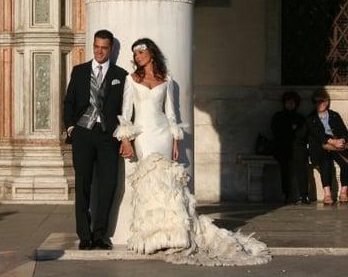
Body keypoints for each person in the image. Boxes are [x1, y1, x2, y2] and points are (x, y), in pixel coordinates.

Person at [114, 38, 270, 266]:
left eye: (141, 51)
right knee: (150, 182)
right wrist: (126, 139)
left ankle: (174, 235)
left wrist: (176, 141)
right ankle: (151, 237)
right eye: (135, 54)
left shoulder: (166, 79)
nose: (138, 56)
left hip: (163, 134)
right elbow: (126, 112)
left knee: (170, 186)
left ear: (151, 53)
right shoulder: (131, 79)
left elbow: (171, 114)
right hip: (144, 136)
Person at [63, 29, 129, 250]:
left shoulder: (121, 75)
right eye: (96, 47)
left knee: (108, 185)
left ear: (111, 49)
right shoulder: (79, 71)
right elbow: (69, 102)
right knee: (83, 185)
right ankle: (84, 235)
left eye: (104, 48)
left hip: (107, 136)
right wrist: (71, 127)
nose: (99, 52)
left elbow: (125, 109)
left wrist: (124, 135)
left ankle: (100, 235)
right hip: (82, 134)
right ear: (93, 46)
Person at [306, 89, 348, 205]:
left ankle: (343, 192)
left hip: (337, 146)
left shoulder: (334, 115)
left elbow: (344, 132)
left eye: (322, 102)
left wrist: (342, 140)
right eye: (317, 102)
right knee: (325, 163)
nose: (320, 105)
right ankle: (327, 194)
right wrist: (332, 141)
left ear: (327, 102)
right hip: (320, 147)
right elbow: (317, 134)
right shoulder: (311, 118)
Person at [270, 91, 309, 204]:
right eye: (288, 102)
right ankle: (286, 193)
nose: (290, 104)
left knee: (301, 166)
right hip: (283, 146)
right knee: (284, 166)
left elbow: (303, 133)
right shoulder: (278, 116)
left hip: (298, 147)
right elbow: (276, 132)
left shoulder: (300, 117)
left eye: (292, 102)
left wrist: (291, 130)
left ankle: (303, 195)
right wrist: (291, 129)